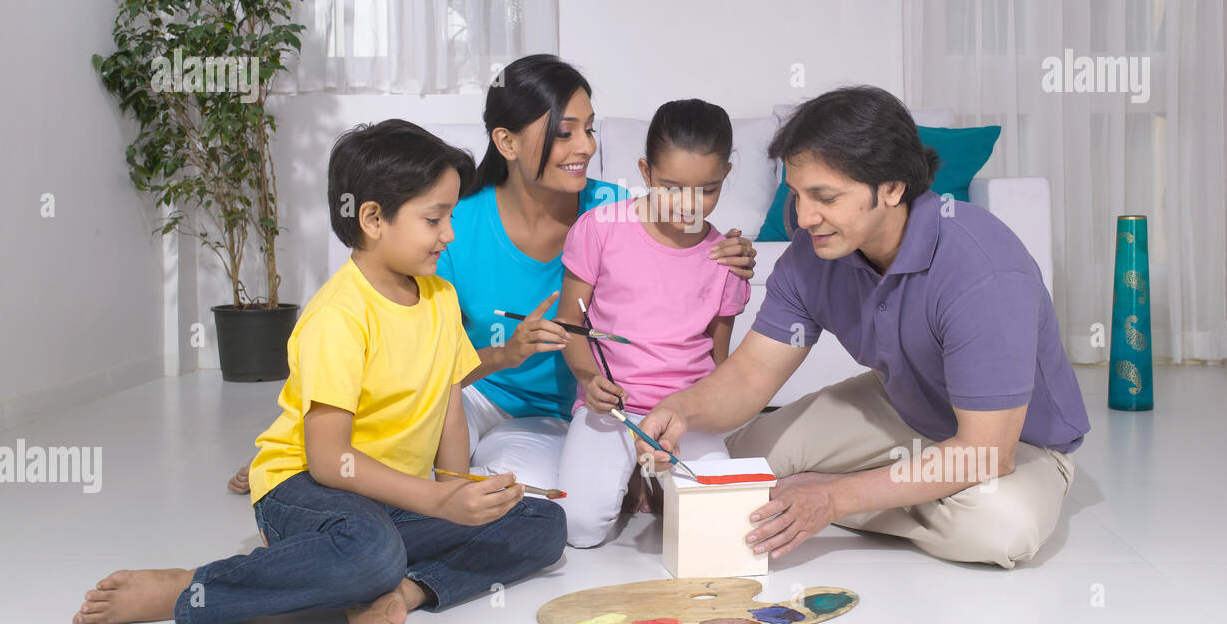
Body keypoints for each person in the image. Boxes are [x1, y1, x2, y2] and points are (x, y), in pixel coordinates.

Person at [75, 121, 566, 624]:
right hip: (308, 484)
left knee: (543, 523)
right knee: (370, 551)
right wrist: (438, 505)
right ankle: (191, 587)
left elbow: (449, 404)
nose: (449, 234)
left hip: (395, 501)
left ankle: (404, 589)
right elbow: (331, 460)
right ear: (374, 218)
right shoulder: (338, 316)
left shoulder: (439, 297)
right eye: (434, 218)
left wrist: (458, 494)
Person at [227, 54, 757, 496]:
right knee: (401, 447)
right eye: (564, 132)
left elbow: (684, 242)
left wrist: (730, 251)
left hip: (577, 409)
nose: (586, 148)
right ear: (506, 142)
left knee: (546, 491)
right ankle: (290, 460)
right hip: (482, 393)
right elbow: (428, 365)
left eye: (590, 129)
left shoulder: (621, 214)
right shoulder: (454, 226)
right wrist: (508, 352)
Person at [634, 86, 1090, 569]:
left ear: (892, 188)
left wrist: (833, 498)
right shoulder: (815, 248)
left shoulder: (984, 272)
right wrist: (680, 408)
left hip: (1013, 441)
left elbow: (986, 452)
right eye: (796, 194)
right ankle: (893, 488)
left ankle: (864, 490)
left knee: (1001, 530)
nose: (804, 218)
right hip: (901, 403)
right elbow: (750, 378)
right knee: (729, 464)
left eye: (825, 197)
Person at [554, 99, 752, 547]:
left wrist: (697, 419)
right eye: (671, 186)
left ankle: (654, 482)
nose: (689, 205)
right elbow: (570, 323)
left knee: (715, 534)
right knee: (579, 531)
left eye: (708, 189)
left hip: (688, 413)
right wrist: (590, 379)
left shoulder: (727, 258)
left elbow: (720, 360)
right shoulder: (600, 229)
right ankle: (634, 480)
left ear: (724, 177)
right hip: (611, 410)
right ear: (645, 173)